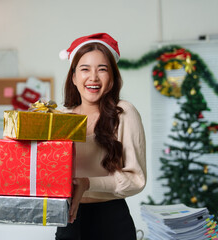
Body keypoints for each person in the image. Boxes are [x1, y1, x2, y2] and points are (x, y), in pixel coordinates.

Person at [56, 33, 146, 240]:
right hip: (67, 220)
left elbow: (136, 179)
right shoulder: (61, 119)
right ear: (74, 77)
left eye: (102, 69)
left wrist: (89, 183)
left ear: (112, 78)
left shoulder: (123, 113)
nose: (93, 77)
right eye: (85, 69)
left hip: (110, 221)